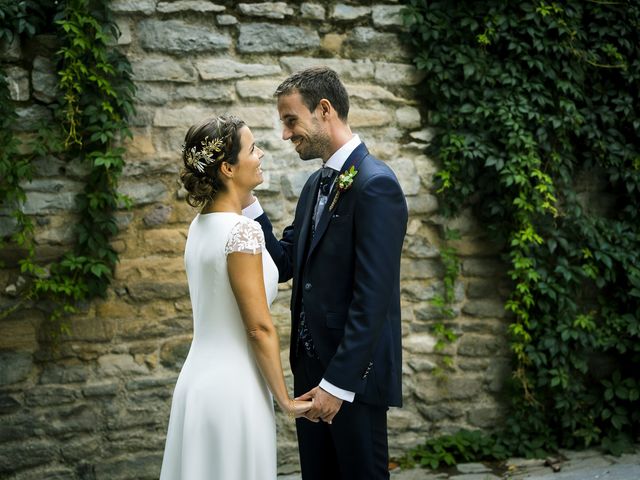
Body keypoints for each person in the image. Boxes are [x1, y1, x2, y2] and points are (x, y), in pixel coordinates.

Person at [243, 67, 408, 480]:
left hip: (350, 381)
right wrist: (247, 202)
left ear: (324, 109)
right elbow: (285, 265)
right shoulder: (316, 184)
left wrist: (337, 386)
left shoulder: (376, 186)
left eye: (290, 120)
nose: (285, 134)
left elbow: (373, 299)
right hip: (309, 375)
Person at [159, 115, 312, 480]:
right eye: (252, 148)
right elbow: (259, 328)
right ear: (227, 167)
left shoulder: (200, 225)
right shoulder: (242, 233)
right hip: (233, 390)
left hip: (196, 383)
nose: (261, 154)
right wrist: (286, 401)